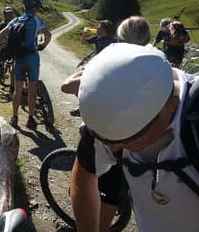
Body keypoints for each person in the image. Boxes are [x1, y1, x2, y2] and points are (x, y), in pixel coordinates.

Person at [71, 43, 199, 232]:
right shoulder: (112, 116)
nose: (113, 150)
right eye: (106, 141)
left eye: (131, 141)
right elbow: (85, 174)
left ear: (169, 106)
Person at [61, 16, 152, 230]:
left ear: (119, 39)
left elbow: (67, 87)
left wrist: (83, 70)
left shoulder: (108, 61)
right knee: (115, 187)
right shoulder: (159, 62)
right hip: (148, 138)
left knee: (91, 175)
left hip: (112, 136)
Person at [0, 0, 51, 129]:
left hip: (19, 58)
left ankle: (15, 118)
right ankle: (30, 119)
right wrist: (42, 46)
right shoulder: (36, 20)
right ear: (34, 8)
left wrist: (10, 46)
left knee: (17, 89)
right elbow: (48, 35)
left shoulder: (15, 20)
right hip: (32, 57)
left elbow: (0, 36)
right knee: (32, 90)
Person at [0, 7, 18, 94]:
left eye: (11, 13)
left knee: (9, 65)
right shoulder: (2, 24)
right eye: (8, 13)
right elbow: (1, 36)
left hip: (11, 47)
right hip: (6, 47)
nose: (10, 15)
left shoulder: (16, 23)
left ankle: (9, 84)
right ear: (5, 15)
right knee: (5, 65)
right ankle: (1, 76)